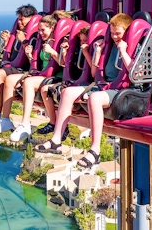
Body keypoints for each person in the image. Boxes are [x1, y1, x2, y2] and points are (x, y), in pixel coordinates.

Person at [34, 13, 134, 169]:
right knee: (67, 93)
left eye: (118, 33)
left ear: (127, 31)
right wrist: (98, 53)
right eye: (112, 33)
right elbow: (95, 74)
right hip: (103, 84)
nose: (114, 36)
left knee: (94, 98)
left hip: (121, 89)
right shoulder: (109, 45)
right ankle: (56, 139)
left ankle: (95, 150)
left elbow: (136, 73)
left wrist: (124, 52)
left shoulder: (132, 46)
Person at [0, 12, 68, 139]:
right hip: (41, 74)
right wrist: (30, 56)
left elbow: (64, 64)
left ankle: (25, 122)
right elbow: (38, 64)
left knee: (28, 83)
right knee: (10, 80)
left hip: (56, 76)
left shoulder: (60, 42)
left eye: (43, 30)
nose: (40, 33)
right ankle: (4, 119)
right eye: (38, 30)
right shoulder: (43, 42)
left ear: (52, 28)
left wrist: (53, 52)